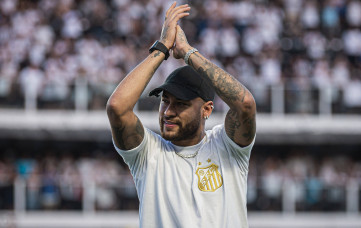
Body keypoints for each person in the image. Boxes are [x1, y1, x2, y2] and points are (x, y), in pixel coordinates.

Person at [106, 2, 256, 227]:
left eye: (180, 104)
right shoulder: (149, 154)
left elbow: (245, 104)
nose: (168, 112)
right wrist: (162, 48)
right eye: (165, 101)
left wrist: (187, 52)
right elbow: (117, 107)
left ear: (207, 109)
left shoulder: (227, 148)